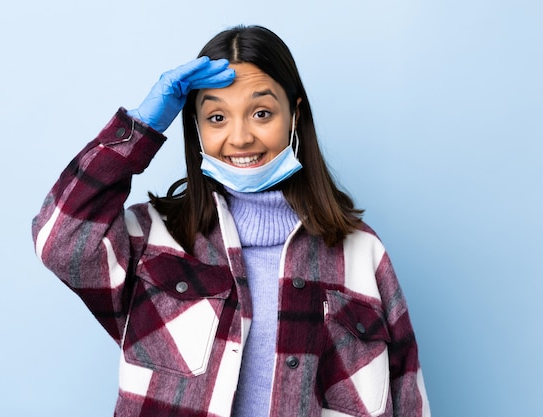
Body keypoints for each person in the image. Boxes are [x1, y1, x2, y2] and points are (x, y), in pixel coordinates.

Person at [32, 25, 430, 417]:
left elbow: (407, 396)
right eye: (217, 117)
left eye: (261, 112)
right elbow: (61, 243)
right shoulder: (153, 238)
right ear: (196, 127)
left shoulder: (362, 253)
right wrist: (141, 130)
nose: (240, 138)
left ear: (294, 114)